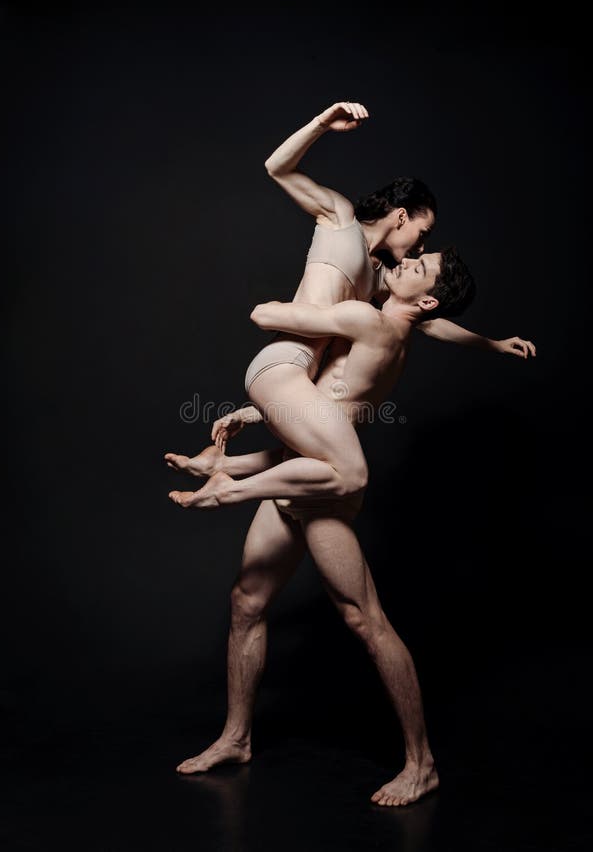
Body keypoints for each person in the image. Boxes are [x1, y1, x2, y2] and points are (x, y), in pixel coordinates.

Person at [167, 245, 479, 807]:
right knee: (247, 601)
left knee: (365, 620)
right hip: (300, 472)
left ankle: (422, 763)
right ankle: (236, 738)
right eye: (414, 257)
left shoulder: (376, 326)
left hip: (323, 493)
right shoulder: (388, 329)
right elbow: (326, 404)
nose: (404, 262)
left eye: (418, 267)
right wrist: (255, 417)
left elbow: (272, 320)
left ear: (426, 298)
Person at [167, 101, 533, 509]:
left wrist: (492, 344)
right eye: (422, 231)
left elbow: (428, 322)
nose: (421, 245)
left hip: (300, 376)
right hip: (285, 360)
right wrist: (322, 124)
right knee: (348, 471)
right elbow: (277, 167)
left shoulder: (381, 279)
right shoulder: (341, 218)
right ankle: (224, 489)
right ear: (399, 217)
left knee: (315, 457)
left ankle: (222, 466)